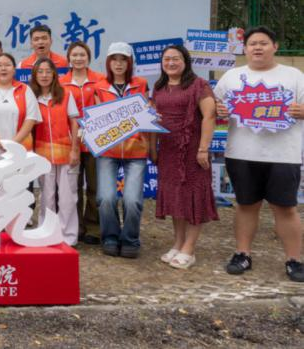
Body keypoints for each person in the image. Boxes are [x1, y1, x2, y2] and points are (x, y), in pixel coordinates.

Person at [214, 26, 304, 281]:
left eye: (263, 43)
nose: (257, 47)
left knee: (285, 208)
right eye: (252, 43)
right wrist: (220, 111)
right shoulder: (232, 76)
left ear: (275, 47)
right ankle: (242, 254)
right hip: (241, 153)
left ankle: (294, 260)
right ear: (245, 49)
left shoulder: (294, 75)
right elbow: (213, 106)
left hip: (283, 155)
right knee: (246, 205)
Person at [152, 44, 217, 270]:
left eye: (176, 58)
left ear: (185, 61)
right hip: (168, 152)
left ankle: (189, 248)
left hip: (192, 152)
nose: (171, 63)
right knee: (176, 198)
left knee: (193, 198)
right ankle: (178, 244)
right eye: (166, 59)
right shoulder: (159, 87)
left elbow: (209, 116)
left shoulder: (199, 85)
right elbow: (152, 118)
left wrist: (203, 149)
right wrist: (152, 148)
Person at [94, 41, 151, 258]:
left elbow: (147, 112)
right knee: (106, 197)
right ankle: (110, 237)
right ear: (108, 62)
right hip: (107, 151)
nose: (118, 64)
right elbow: (94, 117)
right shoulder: (99, 86)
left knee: (132, 199)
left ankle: (130, 239)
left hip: (136, 150)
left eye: (123, 60)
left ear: (130, 63)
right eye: (114, 60)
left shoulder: (141, 84)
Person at [29, 58, 80, 246]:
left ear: (54, 74)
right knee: (47, 196)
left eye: (48, 71)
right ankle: (46, 232)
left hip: (66, 153)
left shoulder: (65, 94)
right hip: (42, 155)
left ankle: (68, 236)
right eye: (40, 71)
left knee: (68, 197)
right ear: (35, 75)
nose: (44, 75)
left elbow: (75, 122)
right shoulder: (31, 97)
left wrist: (75, 149)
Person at [60, 41, 104, 245]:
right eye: (74, 55)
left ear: (89, 57)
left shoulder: (100, 80)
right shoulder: (61, 82)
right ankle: (74, 227)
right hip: (70, 142)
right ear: (68, 58)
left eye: (82, 55)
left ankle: (93, 228)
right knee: (72, 188)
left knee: (95, 186)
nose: (78, 59)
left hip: (96, 141)